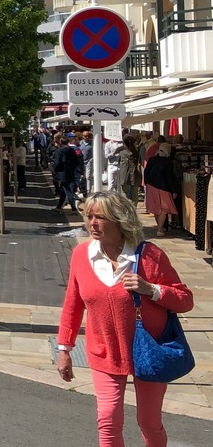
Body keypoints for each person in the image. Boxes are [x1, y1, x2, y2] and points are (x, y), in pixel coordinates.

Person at [57, 191, 193, 446]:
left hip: (149, 351)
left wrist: (151, 289)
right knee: (108, 420)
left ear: (119, 220)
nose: (93, 223)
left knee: (149, 423)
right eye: (89, 216)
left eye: (101, 217)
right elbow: (73, 304)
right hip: (104, 350)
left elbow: (185, 299)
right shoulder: (81, 255)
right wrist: (64, 349)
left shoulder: (150, 256)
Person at [142, 142, 180, 237]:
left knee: (155, 208)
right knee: (164, 208)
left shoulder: (152, 160)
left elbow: (146, 172)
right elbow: (169, 178)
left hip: (151, 186)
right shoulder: (168, 163)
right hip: (163, 187)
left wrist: (147, 183)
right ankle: (160, 229)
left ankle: (160, 227)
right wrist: (173, 190)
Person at [50, 136, 82, 211]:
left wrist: (55, 169)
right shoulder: (72, 150)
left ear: (60, 142)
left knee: (67, 190)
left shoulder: (59, 151)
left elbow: (57, 163)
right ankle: (58, 207)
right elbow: (77, 161)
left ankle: (73, 208)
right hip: (70, 172)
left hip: (62, 173)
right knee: (63, 190)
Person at [115, 136, 140, 204]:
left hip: (124, 176)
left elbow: (118, 162)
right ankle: (133, 209)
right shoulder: (137, 153)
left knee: (125, 193)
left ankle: (127, 209)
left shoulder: (122, 153)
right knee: (135, 194)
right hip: (135, 175)